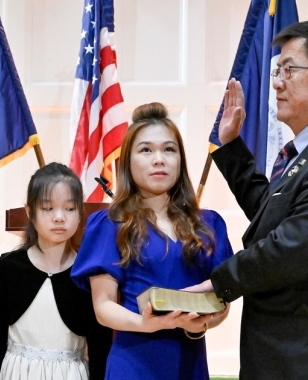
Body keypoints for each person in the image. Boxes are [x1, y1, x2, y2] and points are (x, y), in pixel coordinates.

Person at [184, 19, 308, 379]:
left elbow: (291, 248)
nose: (276, 82)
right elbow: (271, 216)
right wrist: (231, 149)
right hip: (286, 357)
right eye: (278, 70)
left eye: (289, 70)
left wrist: (220, 283)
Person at [71, 103, 234, 379]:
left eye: (169, 149)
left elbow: (222, 301)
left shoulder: (209, 224)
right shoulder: (110, 224)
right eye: (146, 150)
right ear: (128, 161)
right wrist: (145, 323)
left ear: (180, 160)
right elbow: (103, 307)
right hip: (134, 360)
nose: (159, 159)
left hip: (189, 361)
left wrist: (204, 324)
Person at [0, 163, 112, 380]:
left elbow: (100, 349)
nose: (59, 217)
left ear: (80, 212)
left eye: (69, 208)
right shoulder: (6, 268)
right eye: (48, 208)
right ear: (30, 211)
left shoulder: (89, 275)